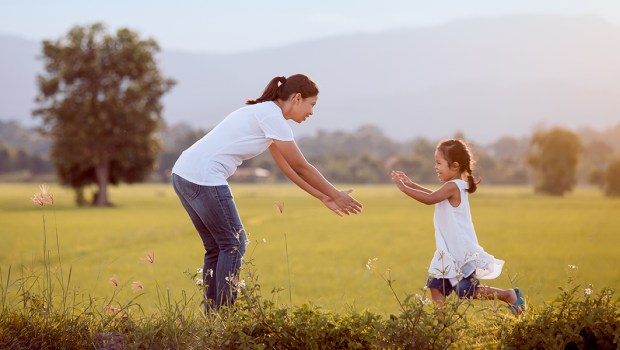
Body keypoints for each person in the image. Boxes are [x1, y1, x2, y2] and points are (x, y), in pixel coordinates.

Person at [171, 74, 363, 310]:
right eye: (312, 105)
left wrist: (322, 195)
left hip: (184, 173)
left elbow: (288, 167)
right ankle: (223, 316)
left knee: (219, 247)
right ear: (297, 98)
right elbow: (302, 166)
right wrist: (336, 194)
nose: (312, 112)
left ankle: (214, 319)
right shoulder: (272, 117)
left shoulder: (265, 114)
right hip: (203, 176)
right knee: (234, 244)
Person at [390, 139, 525, 315]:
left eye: (439, 163)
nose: (436, 167)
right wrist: (411, 184)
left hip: (459, 251)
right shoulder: (452, 186)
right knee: (436, 287)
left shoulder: (453, 186)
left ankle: (508, 295)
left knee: (467, 291)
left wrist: (403, 189)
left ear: (454, 166)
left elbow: (429, 199)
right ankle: (444, 329)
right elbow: (433, 195)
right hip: (448, 251)